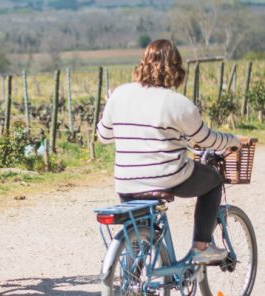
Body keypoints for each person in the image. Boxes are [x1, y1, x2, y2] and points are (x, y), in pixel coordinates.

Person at [96, 39, 240, 264]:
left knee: (138, 237)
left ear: (143, 63)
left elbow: (103, 136)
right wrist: (232, 141)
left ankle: (132, 279)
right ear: (176, 68)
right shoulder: (179, 104)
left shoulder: (120, 94)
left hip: (126, 181)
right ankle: (201, 247)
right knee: (213, 180)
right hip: (167, 177)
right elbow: (205, 139)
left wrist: (112, 110)